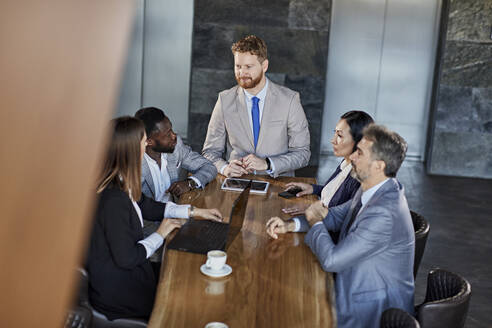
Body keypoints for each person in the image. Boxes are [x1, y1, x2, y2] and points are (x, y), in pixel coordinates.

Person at [266, 124, 414, 328]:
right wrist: (291, 225)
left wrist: (315, 221)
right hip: (353, 283)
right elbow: (335, 216)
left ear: (379, 166)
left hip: (372, 309)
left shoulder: (384, 212)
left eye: (360, 153)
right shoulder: (373, 187)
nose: (352, 157)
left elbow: (332, 260)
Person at [86, 117, 222, 320]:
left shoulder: (121, 182)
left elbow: (149, 207)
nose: (146, 146)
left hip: (132, 275)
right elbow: (128, 258)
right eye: (143, 142)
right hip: (121, 294)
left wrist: (194, 211)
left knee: (188, 277)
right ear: (132, 149)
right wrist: (161, 233)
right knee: (189, 294)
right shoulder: (114, 200)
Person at [202, 35, 310, 178]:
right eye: (238, 66)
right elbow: (209, 152)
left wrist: (268, 164)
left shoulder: (290, 100)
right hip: (235, 183)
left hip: (278, 185)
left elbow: (303, 153)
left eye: (248, 67)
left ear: (264, 66)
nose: (242, 73)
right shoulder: (224, 100)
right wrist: (225, 168)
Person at [281, 111, 374, 221]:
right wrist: (313, 188)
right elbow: (336, 195)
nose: (333, 140)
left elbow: (345, 220)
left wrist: (315, 210)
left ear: (359, 141)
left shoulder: (359, 178)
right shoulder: (345, 164)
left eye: (339, 135)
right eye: (335, 133)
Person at [135, 107, 217, 201]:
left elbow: (209, 167)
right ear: (149, 141)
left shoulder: (176, 147)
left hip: (177, 211)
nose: (174, 136)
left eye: (172, 129)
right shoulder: (133, 164)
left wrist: (190, 183)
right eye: (167, 134)